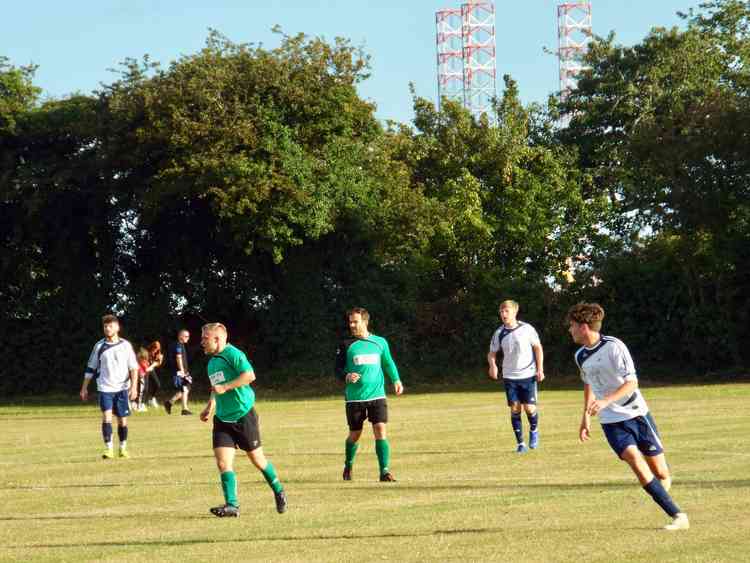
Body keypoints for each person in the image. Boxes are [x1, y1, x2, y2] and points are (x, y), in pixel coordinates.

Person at [566, 302, 689, 531]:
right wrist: (585, 415)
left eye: (572, 326)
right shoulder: (580, 356)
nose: (569, 330)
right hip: (611, 421)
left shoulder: (614, 347)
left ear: (584, 327)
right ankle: (678, 516)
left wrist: (605, 400)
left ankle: (660, 492)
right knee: (634, 459)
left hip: (637, 414)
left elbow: (632, 383)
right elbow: (588, 383)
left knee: (661, 473)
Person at [199, 322, 287, 517]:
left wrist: (227, 386)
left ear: (218, 339)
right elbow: (216, 388)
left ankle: (278, 490)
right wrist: (209, 407)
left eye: (205, 338)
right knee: (223, 463)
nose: (202, 342)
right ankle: (232, 505)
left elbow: (249, 375)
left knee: (257, 460)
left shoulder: (233, 354)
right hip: (222, 419)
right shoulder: (212, 363)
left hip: (243, 415)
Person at [335, 307, 404, 482]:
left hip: (377, 396)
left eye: (355, 321)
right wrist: (347, 376)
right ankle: (349, 464)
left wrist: (396, 380)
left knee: (380, 429)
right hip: (355, 398)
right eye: (350, 322)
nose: (351, 325)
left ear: (365, 322)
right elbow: (337, 369)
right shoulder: (346, 345)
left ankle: (384, 471)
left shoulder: (380, 342)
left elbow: (388, 362)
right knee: (355, 434)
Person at [487, 300, 545, 453]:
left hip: (528, 374)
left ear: (515, 312)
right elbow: (492, 352)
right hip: (509, 375)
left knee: (530, 408)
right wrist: (493, 365)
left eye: (507, 311)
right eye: (501, 312)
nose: (503, 314)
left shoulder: (527, 329)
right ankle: (520, 444)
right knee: (515, 408)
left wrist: (540, 368)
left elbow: (538, 348)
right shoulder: (499, 333)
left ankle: (534, 430)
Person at [80, 314, 139, 459]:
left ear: (117, 327)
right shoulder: (99, 346)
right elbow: (90, 368)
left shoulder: (125, 345)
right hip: (105, 388)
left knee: (122, 420)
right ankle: (108, 449)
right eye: (105, 326)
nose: (107, 328)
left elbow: (133, 368)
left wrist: (134, 387)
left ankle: (123, 447)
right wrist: (84, 388)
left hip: (122, 388)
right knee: (106, 417)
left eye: (110, 326)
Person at [165, 329, 192, 415]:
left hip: (182, 371)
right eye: (186, 336)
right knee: (184, 388)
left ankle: (170, 403)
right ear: (181, 336)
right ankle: (184, 409)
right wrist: (182, 371)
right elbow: (178, 358)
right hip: (179, 371)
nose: (188, 338)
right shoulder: (178, 345)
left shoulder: (180, 345)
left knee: (186, 388)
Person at [145, 340, 163, 408]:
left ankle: (152, 399)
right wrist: (148, 367)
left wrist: (158, 362)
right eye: (154, 349)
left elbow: (158, 363)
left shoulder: (158, 353)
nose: (155, 350)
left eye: (157, 349)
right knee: (145, 387)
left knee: (157, 384)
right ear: (152, 347)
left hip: (151, 369)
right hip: (144, 369)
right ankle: (140, 402)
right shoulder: (146, 352)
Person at [135, 347, 150, 412]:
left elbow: (147, 368)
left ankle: (138, 405)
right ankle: (138, 406)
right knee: (140, 392)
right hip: (140, 379)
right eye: (143, 359)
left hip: (143, 378)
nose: (145, 360)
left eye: (145, 358)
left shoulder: (145, 362)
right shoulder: (137, 363)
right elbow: (142, 371)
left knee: (143, 391)